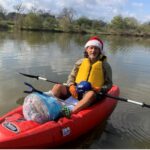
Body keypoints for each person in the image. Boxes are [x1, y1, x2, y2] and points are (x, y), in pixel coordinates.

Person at [48, 36, 113, 117]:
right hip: (76, 90)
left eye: (96, 48)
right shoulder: (80, 62)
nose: (93, 51)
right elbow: (71, 77)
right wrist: (71, 85)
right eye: (91, 48)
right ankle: (49, 107)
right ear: (87, 49)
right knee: (58, 87)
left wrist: (100, 89)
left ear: (100, 51)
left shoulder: (105, 66)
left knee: (90, 94)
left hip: (92, 93)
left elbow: (109, 84)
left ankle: (68, 113)